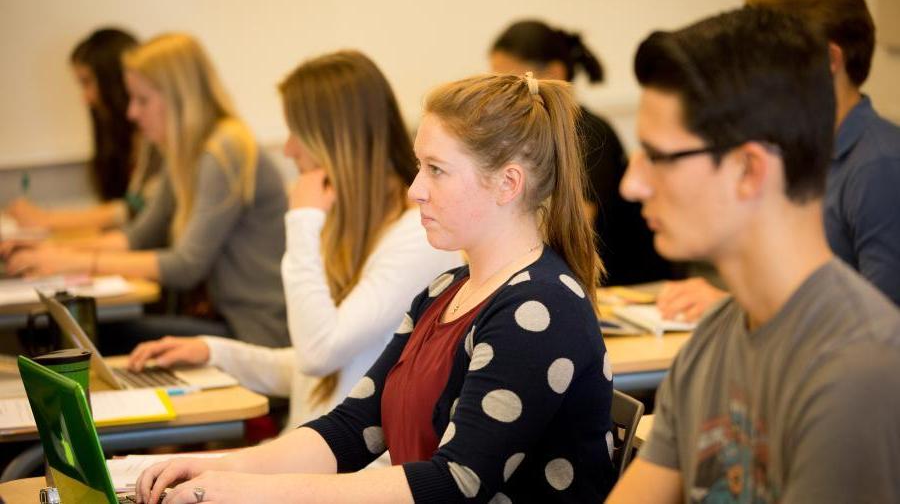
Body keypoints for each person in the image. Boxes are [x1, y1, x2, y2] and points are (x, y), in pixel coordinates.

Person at [133, 73, 616, 503]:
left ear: (507, 184)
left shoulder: (539, 306)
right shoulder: (446, 291)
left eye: (436, 169)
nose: (415, 189)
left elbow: (454, 484)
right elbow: (352, 427)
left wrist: (253, 491)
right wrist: (221, 469)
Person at [607, 7, 900, 503]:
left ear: (748, 170)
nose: (631, 184)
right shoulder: (712, 343)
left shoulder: (858, 370)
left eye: (659, 157)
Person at [126, 50, 462, 430]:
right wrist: (214, 351)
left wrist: (302, 222)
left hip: (347, 474)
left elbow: (320, 354)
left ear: (333, 141)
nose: (288, 150)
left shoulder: (416, 238)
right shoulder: (350, 226)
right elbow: (312, 372)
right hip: (307, 459)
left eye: (296, 133)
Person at [6, 33, 289, 349]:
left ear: (178, 96)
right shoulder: (185, 151)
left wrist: (73, 262)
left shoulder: (225, 150)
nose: (131, 113)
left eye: (142, 100)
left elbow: (184, 266)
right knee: (65, 328)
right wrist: (54, 254)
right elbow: (137, 236)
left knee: (77, 332)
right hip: (226, 322)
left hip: (256, 333)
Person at [655, 0, 900, 320]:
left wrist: (728, 306)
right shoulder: (792, 153)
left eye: (764, 62)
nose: (750, 81)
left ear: (829, 59)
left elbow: (879, 322)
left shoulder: (879, 165)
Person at [490, 19, 675, 285]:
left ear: (554, 72)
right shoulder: (529, 136)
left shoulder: (589, 132)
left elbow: (573, 227)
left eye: (511, 79)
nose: (502, 92)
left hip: (628, 285)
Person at [6, 28, 162, 231]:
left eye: (87, 82)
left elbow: (136, 209)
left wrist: (46, 219)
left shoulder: (158, 137)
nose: (85, 98)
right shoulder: (121, 138)